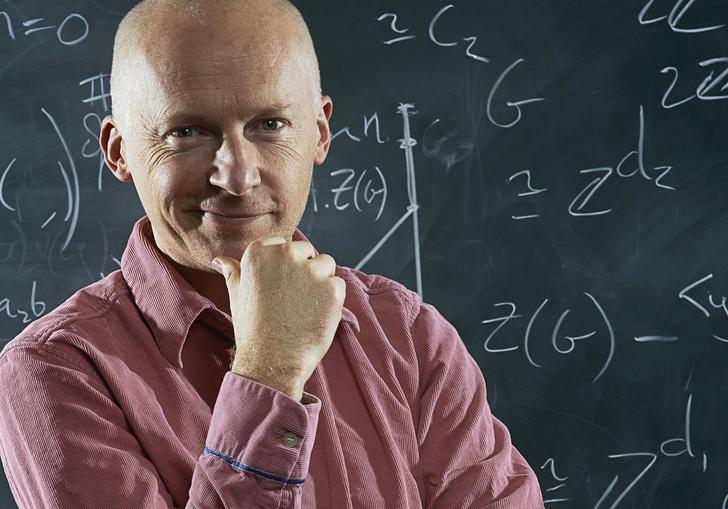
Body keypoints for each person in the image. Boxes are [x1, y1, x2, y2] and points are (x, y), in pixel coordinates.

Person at [0, 0, 544, 507]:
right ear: (119, 151)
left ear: (319, 133)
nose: (236, 177)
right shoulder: (53, 370)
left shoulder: (408, 334)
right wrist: (269, 372)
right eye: (186, 131)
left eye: (270, 125)